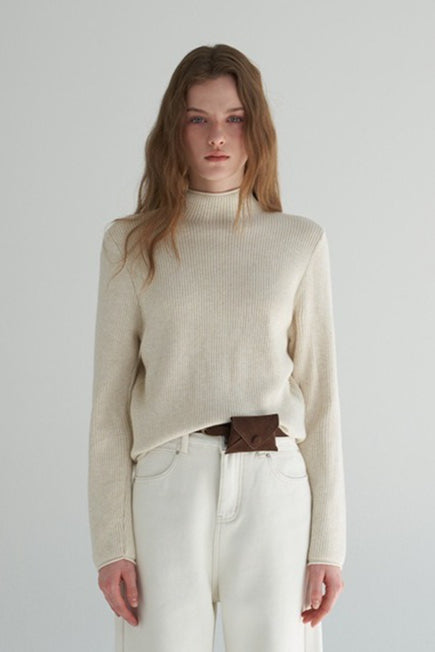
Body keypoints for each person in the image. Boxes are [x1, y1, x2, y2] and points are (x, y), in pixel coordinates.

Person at [88, 43, 346, 652]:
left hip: (275, 487)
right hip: (166, 485)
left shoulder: (299, 242)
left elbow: (321, 397)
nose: (217, 137)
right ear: (174, 131)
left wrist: (328, 544)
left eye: (234, 118)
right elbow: (109, 407)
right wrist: (111, 543)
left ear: (256, 129)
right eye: (197, 119)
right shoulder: (131, 243)